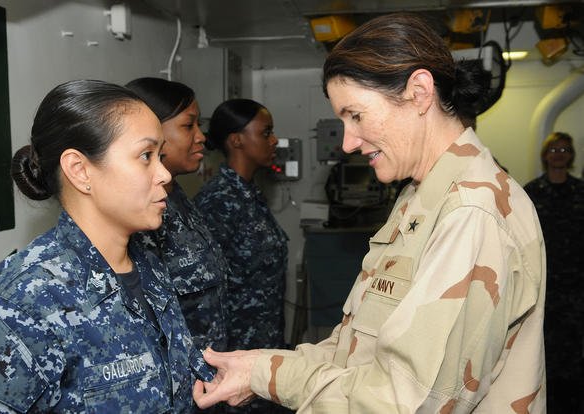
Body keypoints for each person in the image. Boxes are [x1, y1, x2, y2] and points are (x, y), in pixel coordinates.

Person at [192, 12, 546, 413]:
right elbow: (358, 351)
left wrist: (269, 376)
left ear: (419, 92)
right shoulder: (421, 193)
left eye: (356, 115)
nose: (347, 143)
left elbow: (404, 401)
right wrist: (260, 367)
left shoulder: (470, 211)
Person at [0, 79, 213, 413]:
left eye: (161, 156)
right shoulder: (19, 303)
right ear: (80, 171)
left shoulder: (147, 264)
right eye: (145, 156)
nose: (164, 174)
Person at [194, 99, 290, 414]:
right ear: (237, 140)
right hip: (235, 359)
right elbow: (208, 293)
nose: (274, 140)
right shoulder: (217, 202)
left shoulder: (249, 194)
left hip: (263, 350)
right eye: (266, 133)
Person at [126, 77, 229, 354]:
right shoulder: (137, 215)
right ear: (151, 132)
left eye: (199, 125)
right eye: (188, 125)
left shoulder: (179, 197)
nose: (201, 137)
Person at [524, 131, 584, 413]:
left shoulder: (581, 192)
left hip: (576, 288)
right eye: (554, 150)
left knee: (574, 351)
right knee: (541, 348)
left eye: (564, 150)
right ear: (545, 155)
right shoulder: (532, 193)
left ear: (571, 156)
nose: (559, 155)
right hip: (543, 287)